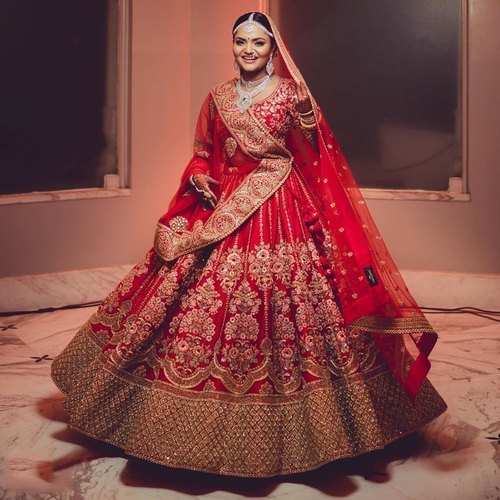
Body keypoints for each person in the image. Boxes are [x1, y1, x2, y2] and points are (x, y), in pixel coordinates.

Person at [51, 12, 446, 478]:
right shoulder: (217, 98)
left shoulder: (289, 94)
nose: (249, 50)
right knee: (190, 299)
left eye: (258, 42)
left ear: (273, 48)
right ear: (232, 45)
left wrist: (307, 117)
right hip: (225, 205)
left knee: (289, 302)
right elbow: (203, 151)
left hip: (281, 203)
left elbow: (316, 156)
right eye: (241, 41)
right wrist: (199, 175)